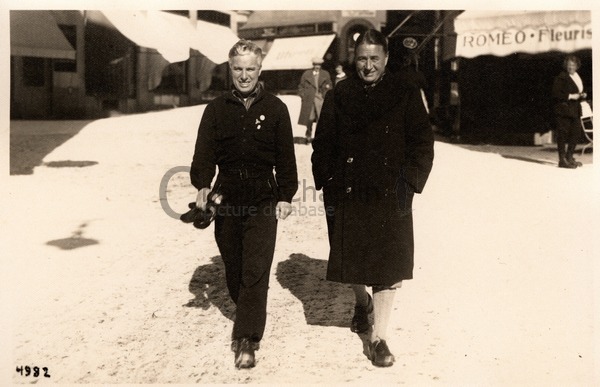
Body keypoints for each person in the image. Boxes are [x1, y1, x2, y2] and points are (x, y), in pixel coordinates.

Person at [311, 29, 434, 367]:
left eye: (374, 59)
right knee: (352, 259)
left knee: (388, 265)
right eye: (362, 59)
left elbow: (423, 143)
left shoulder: (404, 93)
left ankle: (378, 337)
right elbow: (322, 143)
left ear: (386, 59)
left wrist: (408, 183)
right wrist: (328, 180)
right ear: (355, 59)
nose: (368, 66)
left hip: (389, 193)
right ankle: (360, 303)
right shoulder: (340, 94)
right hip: (348, 190)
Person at [190, 39, 298, 369]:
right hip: (227, 197)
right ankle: (248, 310)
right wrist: (203, 186)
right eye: (238, 69)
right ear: (230, 69)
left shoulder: (276, 108)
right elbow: (204, 154)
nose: (244, 75)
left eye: (250, 69)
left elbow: (286, 158)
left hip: (264, 196)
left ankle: (247, 338)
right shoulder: (216, 109)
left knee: (255, 269)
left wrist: (285, 195)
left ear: (260, 70)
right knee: (235, 267)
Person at [552, 55, 588, 168]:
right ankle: (562, 160)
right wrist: (572, 96)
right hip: (564, 109)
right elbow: (556, 94)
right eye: (568, 65)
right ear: (565, 66)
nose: (571, 67)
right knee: (562, 135)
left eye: (573, 65)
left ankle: (569, 157)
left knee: (576, 134)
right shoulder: (561, 77)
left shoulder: (577, 76)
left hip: (575, 110)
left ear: (577, 66)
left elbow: (577, 91)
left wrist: (582, 95)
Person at [297, 57, 332, 143]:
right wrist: (303, 95)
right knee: (310, 119)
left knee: (321, 119)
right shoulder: (306, 74)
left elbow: (330, 85)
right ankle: (308, 134)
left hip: (320, 99)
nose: (317, 67)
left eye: (319, 65)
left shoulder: (325, 74)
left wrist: (326, 93)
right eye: (316, 65)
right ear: (313, 65)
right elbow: (300, 86)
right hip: (309, 99)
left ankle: (319, 137)